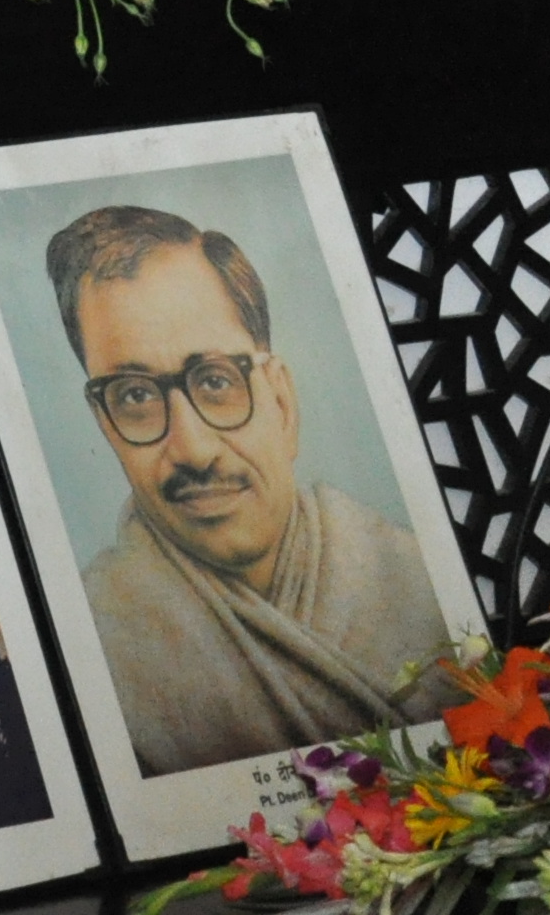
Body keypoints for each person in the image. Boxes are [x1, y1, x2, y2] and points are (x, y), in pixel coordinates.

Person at [46, 204, 463, 776]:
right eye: (136, 396)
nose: (193, 450)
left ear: (282, 403)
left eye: (216, 381)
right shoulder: (89, 646)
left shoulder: (424, 585)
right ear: (104, 425)